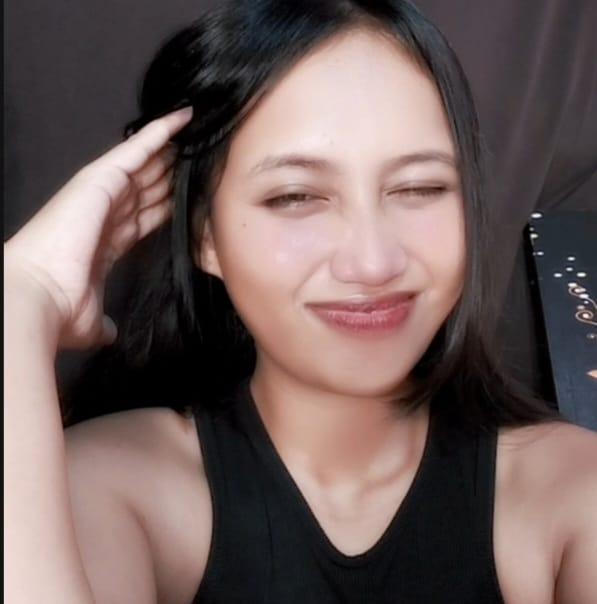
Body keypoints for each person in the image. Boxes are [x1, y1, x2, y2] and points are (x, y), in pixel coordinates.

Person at [5, 1, 597, 602]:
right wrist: (22, 295)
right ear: (205, 236)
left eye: (420, 187)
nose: (373, 262)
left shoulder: (573, 491)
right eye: (295, 197)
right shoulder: (108, 486)